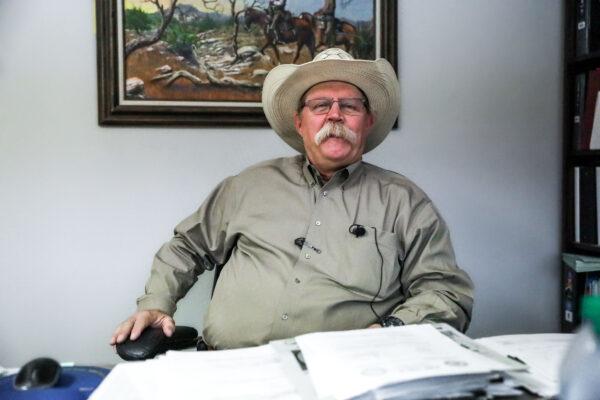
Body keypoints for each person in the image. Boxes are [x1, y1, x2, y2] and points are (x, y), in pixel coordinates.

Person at [110, 48, 474, 350]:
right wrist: (157, 303)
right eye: (320, 106)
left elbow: (446, 293)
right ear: (300, 123)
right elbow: (186, 246)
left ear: (368, 120)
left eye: (350, 106)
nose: (335, 114)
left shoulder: (406, 203)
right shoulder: (248, 186)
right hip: (228, 371)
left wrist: (390, 332)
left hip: (343, 379)